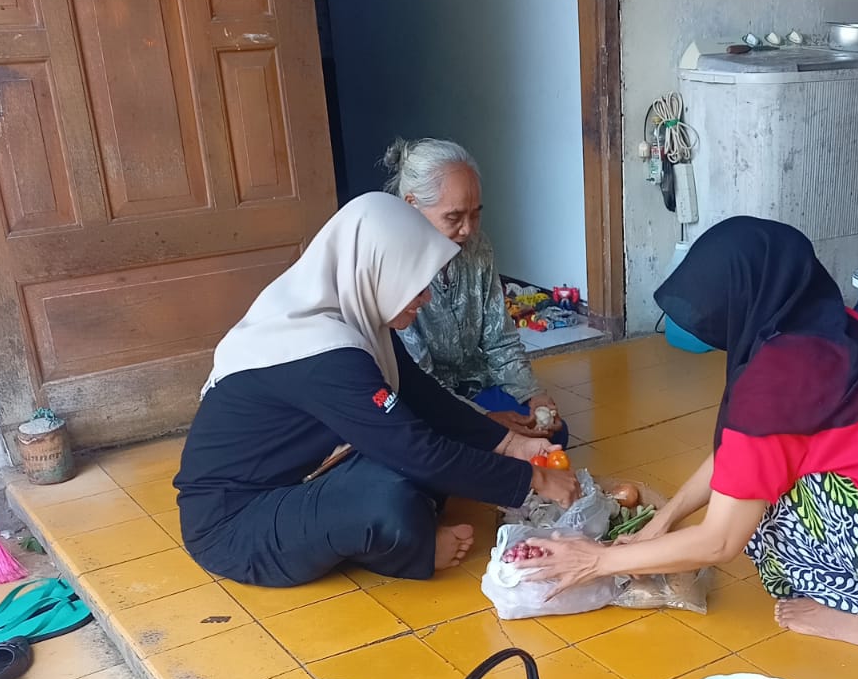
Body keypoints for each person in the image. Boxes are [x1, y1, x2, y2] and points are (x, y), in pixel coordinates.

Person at [520, 217, 858, 648]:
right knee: (771, 469)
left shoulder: (779, 384)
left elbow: (719, 541)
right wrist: (660, 523)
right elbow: (738, 452)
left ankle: (855, 615)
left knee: (766, 507)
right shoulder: (832, 328)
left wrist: (597, 560)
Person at [174, 194, 578, 588]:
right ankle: (414, 548)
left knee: (428, 461)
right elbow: (415, 449)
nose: (426, 298)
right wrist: (534, 481)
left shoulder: (356, 318)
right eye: (416, 285)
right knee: (390, 503)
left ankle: (396, 521)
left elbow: (423, 397)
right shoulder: (319, 350)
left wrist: (512, 445)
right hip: (235, 524)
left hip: (294, 482)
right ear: (376, 273)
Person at [383, 137, 568, 445]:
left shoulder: (477, 248)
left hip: (475, 385)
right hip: (424, 402)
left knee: (550, 433)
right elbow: (417, 380)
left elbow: (501, 340)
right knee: (456, 445)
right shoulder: (391, 266)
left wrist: (533, 394)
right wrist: (481, 420)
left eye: (475, 214)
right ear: (411, 205)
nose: (468, 229)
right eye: (454, 217)